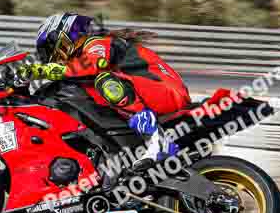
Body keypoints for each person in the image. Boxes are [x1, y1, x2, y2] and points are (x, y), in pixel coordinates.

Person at [17, 13, 191, 163]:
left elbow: (93, 65)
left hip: (166, 92)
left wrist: (42, 70)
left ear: (64, 37)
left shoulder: (97, 43)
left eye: (49, 49)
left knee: (105, 81)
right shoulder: (82, 57)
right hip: (148, 94)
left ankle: (158, 141)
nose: (50, 57)